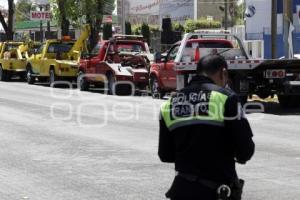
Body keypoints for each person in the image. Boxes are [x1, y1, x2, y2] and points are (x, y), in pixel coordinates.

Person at [158, 55, 255, 200]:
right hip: (215, 191)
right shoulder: (226, 98)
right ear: (224, 73)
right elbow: (245, 151)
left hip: (181, 190)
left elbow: (165, 155)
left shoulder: (169, 104)